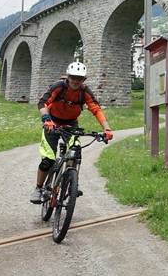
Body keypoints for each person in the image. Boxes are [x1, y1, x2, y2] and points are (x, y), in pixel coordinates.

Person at [29, 61, 113, 203]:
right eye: (73, 77)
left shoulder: (84, 91)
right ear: (68, 76)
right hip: (52, 123)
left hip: (71, 124)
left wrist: (107, 128)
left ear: (83, 80)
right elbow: (42, 103)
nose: (76, 81)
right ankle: (38, 189)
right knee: (48, 160)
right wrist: (46, 119)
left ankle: (70, 181)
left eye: (79, 78)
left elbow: (96, 109)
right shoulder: (59, 87)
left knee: (75, 151)